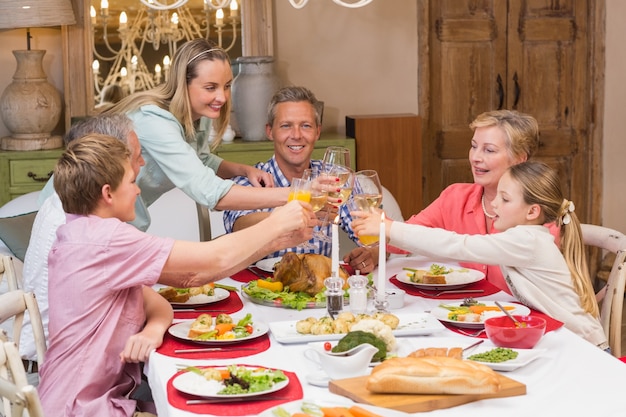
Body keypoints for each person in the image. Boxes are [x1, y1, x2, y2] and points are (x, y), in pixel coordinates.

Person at [37, 134, 313, 417]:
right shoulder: (106, 240)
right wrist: (278, 221)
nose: (138, 191)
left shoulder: (80, 233)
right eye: (132, 182)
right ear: (108, 194)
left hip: (86, 399)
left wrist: (276, 242)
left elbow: (188, 278)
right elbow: (214, 256)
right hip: (81, 408)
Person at [351, 161, 607, 350]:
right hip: (560, 339)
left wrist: (390, 227)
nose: (494, 204)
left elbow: (459, 245)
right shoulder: (526, 236)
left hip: (582, 347)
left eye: (505, 199)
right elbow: (447, 244)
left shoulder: (527, 240)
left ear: (532, 212)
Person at [100, 38, 289, 231]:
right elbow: (207, 190)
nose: (222, 97)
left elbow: (201, 160)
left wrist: (244, 170)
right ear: (184, 84)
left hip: (123, 223)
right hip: (97, 223)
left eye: (226, 86)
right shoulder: (154, 121)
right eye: (210, 87)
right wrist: (294, 195)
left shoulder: (199, 113)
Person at [344, 110, 540, 292]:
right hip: (475, 310)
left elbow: (464, 246)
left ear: (519, 159)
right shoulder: (456, 197)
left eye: (489, 150)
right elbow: (406, 239)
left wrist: (388, 228)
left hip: (527, 321)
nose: (475, 158)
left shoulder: (536, 211)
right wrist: (378, 244)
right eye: (473, 147)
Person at [20, 114, 146, 371]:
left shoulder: (63, 203)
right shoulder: (91, 231)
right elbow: (194, 269)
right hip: (57, 375)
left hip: (51, 363)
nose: (141, 164)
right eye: (135, 157)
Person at [223, 86, 359, 258]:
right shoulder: (249, 182)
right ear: (270, 131)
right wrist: (297, 214)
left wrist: (374, 252)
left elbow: (371, 229)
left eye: (306, 126)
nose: (296, 135)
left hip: (318, 283)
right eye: (286, 126)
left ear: (317, 132)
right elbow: (239, 226)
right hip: (262, 283)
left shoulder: (335, 178)